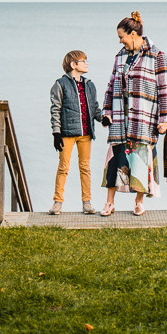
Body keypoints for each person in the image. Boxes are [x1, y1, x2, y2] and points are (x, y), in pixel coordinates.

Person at [100, 11, 167, 217]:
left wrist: (164, 118)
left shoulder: (157, 55)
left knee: (141, 160)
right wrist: (107, 111)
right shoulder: (120, 56)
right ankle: (109, 203)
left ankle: (139, 202)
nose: (120, 41)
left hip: (144, 118)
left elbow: (163, 89)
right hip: (120, 118)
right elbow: (112, 84)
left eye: (121, 36)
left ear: (133, 34)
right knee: (114, 160)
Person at [49, 50, 103, 215]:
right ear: (73, 65)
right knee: (63, 167)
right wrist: (56, 133)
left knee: (85, 168)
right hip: (67, 133)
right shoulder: (60, 84)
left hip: (86, 133)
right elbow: (55, 109)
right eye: (83, 61)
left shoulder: (90, 85)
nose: (86, 63)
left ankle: (87, 203)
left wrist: (103, 119)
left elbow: (94, 108)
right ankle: (57, 203)